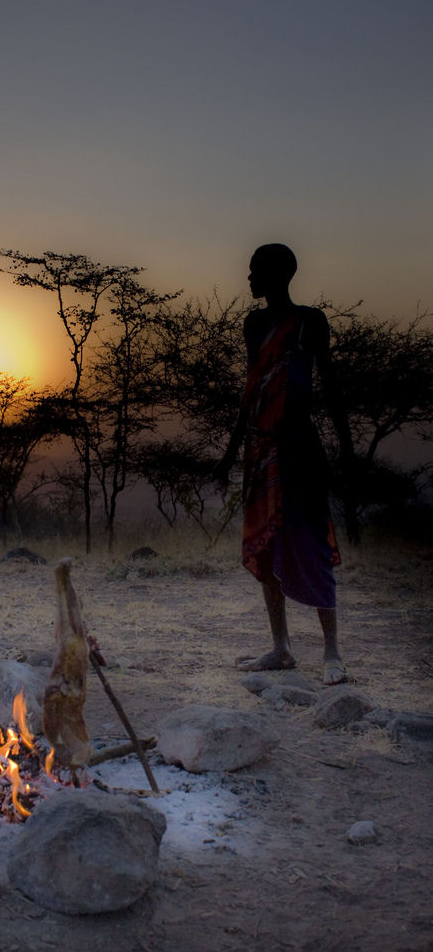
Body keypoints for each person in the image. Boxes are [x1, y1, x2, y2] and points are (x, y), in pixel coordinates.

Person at [213, 243, 358, 685]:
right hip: (259, 452)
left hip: (298, 448)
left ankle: (332, 652)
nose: (250, 278)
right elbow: (251, 392)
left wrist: (347, 452)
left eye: (256, 271)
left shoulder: (309, 323)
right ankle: (281, 648)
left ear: (279, 275)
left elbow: (329, 388)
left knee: (311, 541)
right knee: (267, 545)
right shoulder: (254, 324)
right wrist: (228, 455)